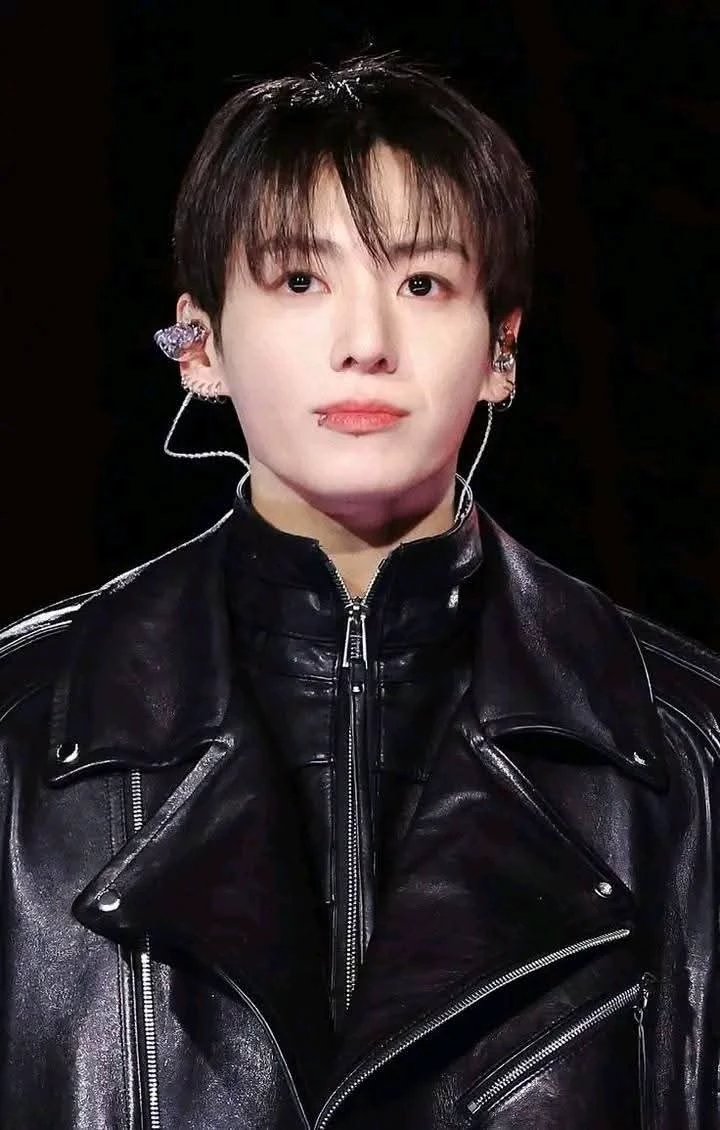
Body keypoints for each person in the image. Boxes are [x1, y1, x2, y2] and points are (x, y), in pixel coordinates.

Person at [0, 52, 717, 1130]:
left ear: (502, 348)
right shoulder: (19, 732)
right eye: (300, 280)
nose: (367, 344)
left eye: (422, 284)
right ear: (199, 345)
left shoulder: (690, 755)